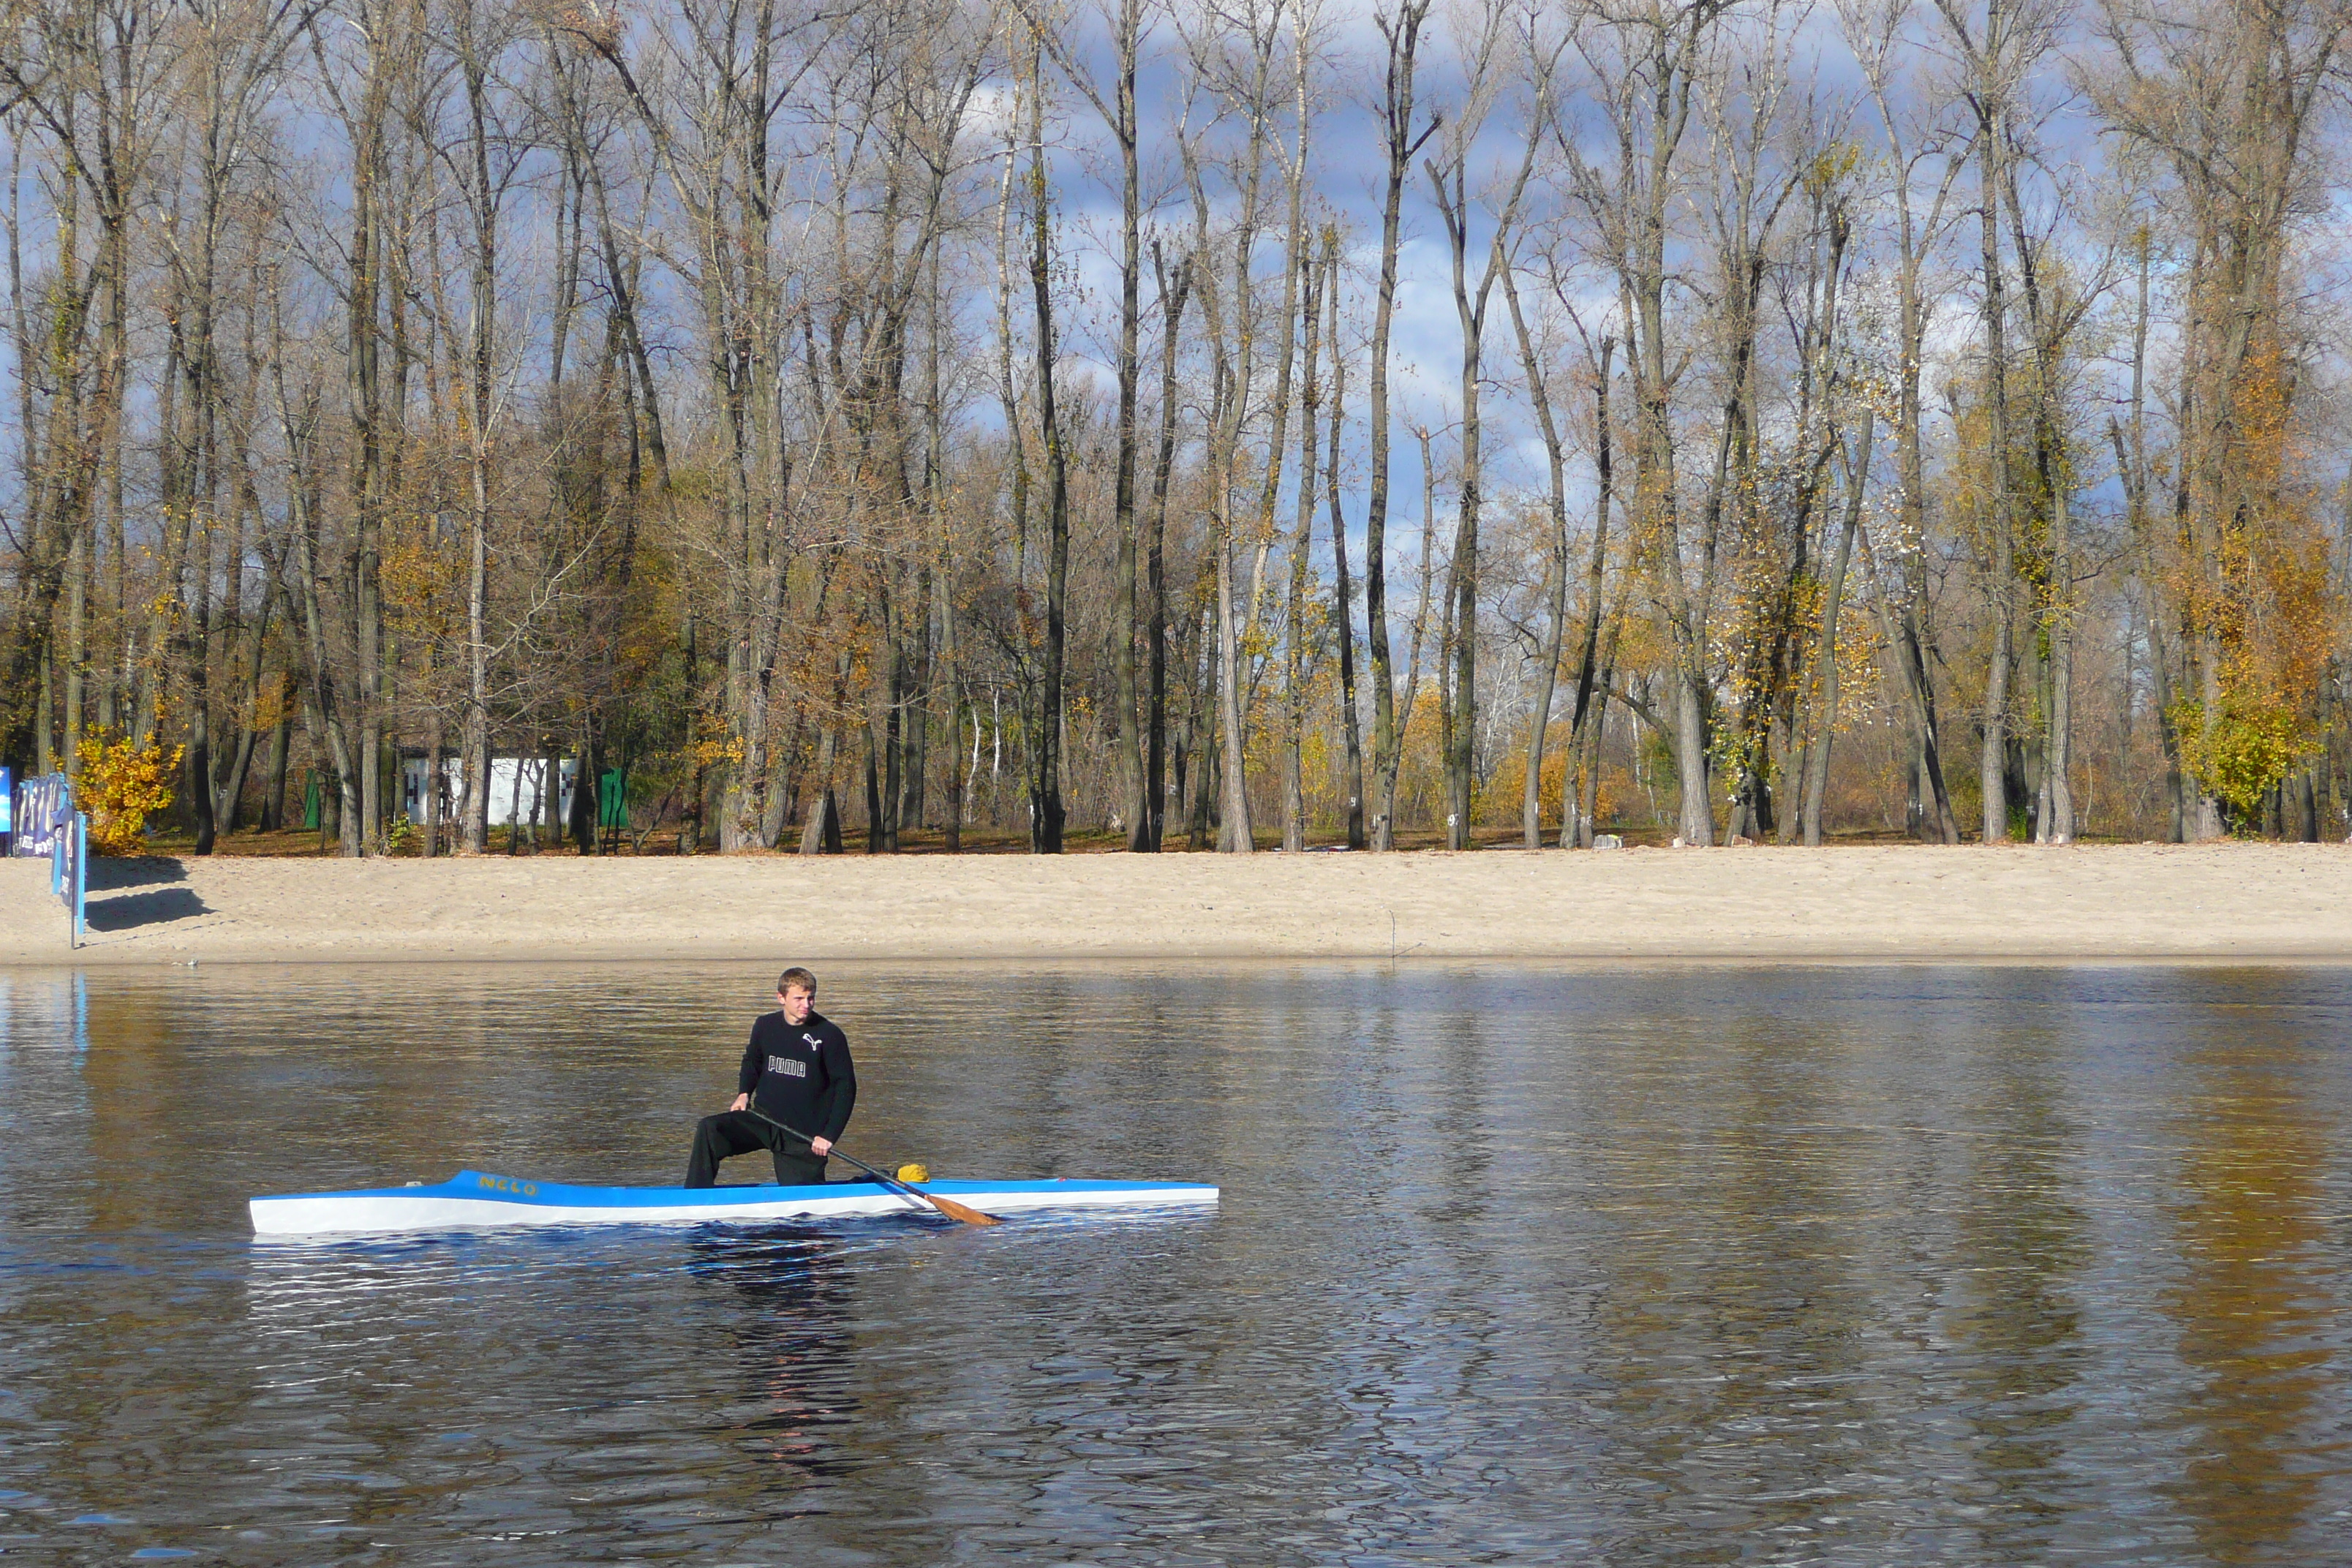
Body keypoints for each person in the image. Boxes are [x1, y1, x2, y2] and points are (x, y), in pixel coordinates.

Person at [685, 968, 857, 1188]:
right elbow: (752, 1062)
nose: (806, 1004)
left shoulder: (830, 1035)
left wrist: (828, 1136)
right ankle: (696, 1195)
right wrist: (743, 1094)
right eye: (799, 998)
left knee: (803, 1214)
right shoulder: (765, 1026)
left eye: (811, 998)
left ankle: (869, 1184)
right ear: (781, 998)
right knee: (709, 1129)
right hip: (763, 1120)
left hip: (802, 1135)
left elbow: (846, 1088)